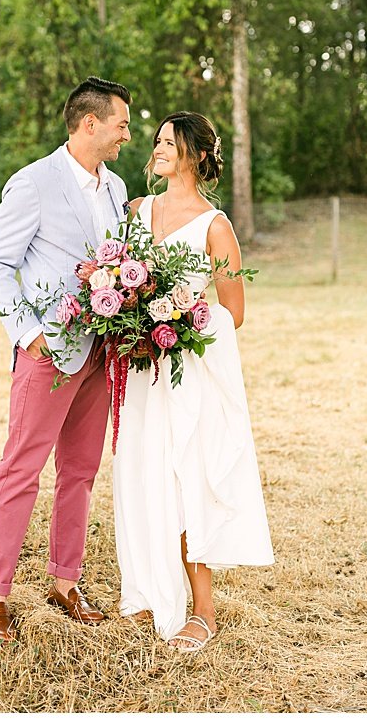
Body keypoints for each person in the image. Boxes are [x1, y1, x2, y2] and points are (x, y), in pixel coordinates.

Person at [0, 77, 132, 641]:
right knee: (21, 470)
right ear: (89, 122)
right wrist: (29, 332)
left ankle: (66, 581)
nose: (127, 134)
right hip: (50, 351)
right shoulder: (34, 182)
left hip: (101, 352)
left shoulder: (116, 189)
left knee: (81, 473)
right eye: (121, 123)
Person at [117, 111, 274, 652]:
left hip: (186, 372)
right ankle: (144, 594)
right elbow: (115, 278)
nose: (157, 149)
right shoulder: (135, 212)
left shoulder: (215, 226)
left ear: (198, 156)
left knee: (187, 479)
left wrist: (182, 319)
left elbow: (234, 309)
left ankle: (202, 610)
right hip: (140, 371)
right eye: (156, 141)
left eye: (168, 143)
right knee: (140, 474)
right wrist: (126, 315)